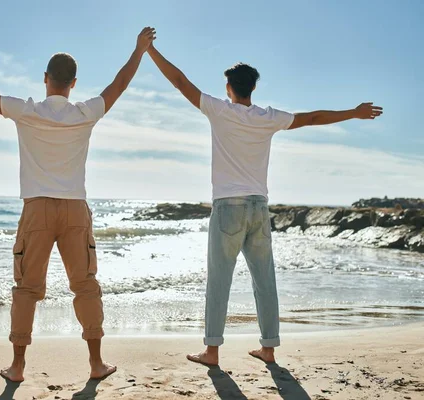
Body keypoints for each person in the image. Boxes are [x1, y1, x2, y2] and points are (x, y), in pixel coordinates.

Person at [0, 27, 157, 382]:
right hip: (74, 210)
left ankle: (18, 366)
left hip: (37, 210)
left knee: (27, 289)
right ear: (73, 83)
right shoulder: (85, 112)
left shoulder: (26, 111)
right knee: (85, 284)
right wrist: (139, 50)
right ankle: (96, 364)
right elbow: (120, 84)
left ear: (45, 79)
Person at [146, 42, 382, 366]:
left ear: (228, 88)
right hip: (259, 207)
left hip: (228, 207)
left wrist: (151, 51)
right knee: (264, 280)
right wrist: (353, 112)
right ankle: (268, 349)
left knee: (219, 281)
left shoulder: (219, 110)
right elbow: (312, 117)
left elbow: (180, 82)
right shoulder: (267, 117)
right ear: (253, 87)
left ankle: (212, 351)